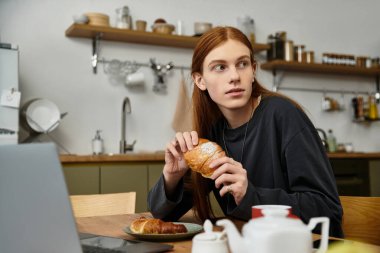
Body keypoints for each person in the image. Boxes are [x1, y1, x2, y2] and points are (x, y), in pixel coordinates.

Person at [148, 26, 343, 237]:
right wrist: (172, 177)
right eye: (220, 67)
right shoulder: (213, 133)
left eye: (242, 64)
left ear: (253, 71)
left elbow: (327, 210)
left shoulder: (283, 114)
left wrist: (251, 196)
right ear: (200, 80)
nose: (234, 76)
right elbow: (161, 215)